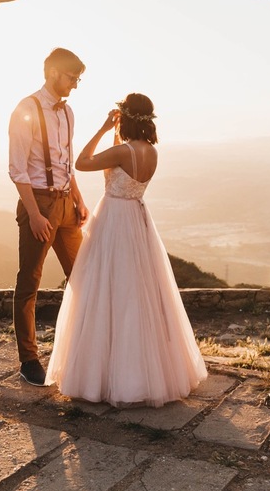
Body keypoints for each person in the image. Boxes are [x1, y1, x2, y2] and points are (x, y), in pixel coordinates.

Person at [46, 93, 207, 406]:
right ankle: (145, 373)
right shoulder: (151, 153)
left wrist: (105, 128)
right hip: (137, 218)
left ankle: (104, 375)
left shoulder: (121, 151)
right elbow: (127, 168)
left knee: (106, 292)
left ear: (125, 117)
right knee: (138, 293)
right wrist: (119, 134)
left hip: (114, 221)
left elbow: (81, 162)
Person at [8, 47, 89, 386]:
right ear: (54, 73)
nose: (75, 85)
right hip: (38, 204)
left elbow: (65, 163)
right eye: (72, 78)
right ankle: (29, 360)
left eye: (78, 79)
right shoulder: (26, 109)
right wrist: (35, 215)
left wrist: (79, 199)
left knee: (85, 276)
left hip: (67, 204)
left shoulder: (68, 113)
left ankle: (83, 353)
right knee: (29, 283)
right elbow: (17, 170)